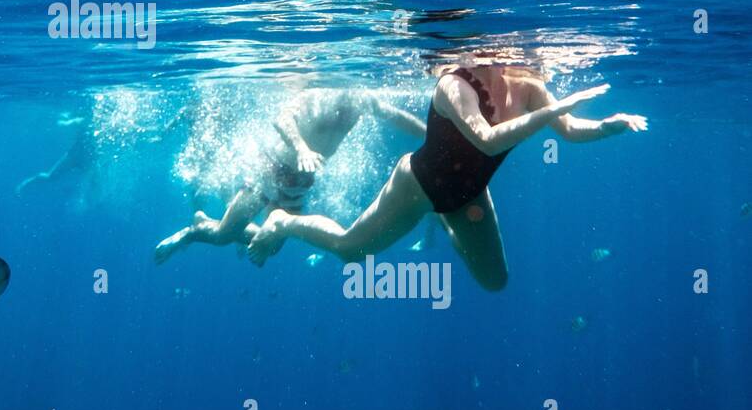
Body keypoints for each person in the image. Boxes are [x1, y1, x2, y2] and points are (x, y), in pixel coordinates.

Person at [245, 59, 648, 290]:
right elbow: (487, 140)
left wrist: (606, 127)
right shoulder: (454, 84)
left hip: (468, 193)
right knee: (352, 250)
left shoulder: (530, 88)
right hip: (417, 185)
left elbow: (571, 131)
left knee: (495, 282)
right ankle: (284, 222)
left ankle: (449, 222)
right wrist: (556, 110)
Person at [154, 87, 425, 263]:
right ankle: (195, 230)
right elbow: (282, 119)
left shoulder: (362, 100)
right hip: (268, 171)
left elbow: (397, 117)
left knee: (272, 247)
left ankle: (226, 225)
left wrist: (431, 135)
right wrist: (301, 149)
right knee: (224, 235)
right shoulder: (316, 94)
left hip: (300, 181)